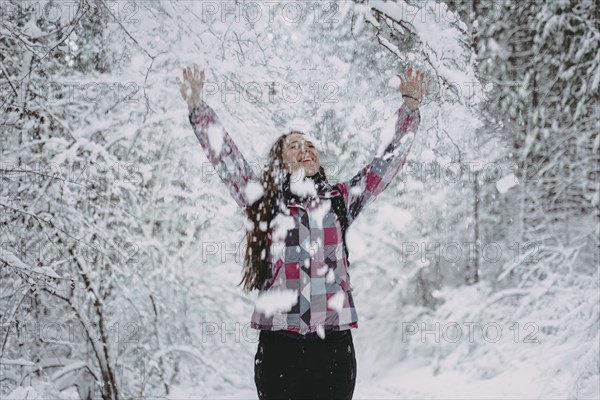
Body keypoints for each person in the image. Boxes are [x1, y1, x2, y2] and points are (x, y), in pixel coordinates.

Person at [177, 64, 428, 400]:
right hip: (280, 346)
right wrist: (198, 108)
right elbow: (228, 161)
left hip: (334, 346)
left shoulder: (341, 200)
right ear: (280, 161)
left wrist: (409, 110)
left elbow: (384, 165)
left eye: (310, 145)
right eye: (294, 146)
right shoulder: (263, 201)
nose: (305, 149)